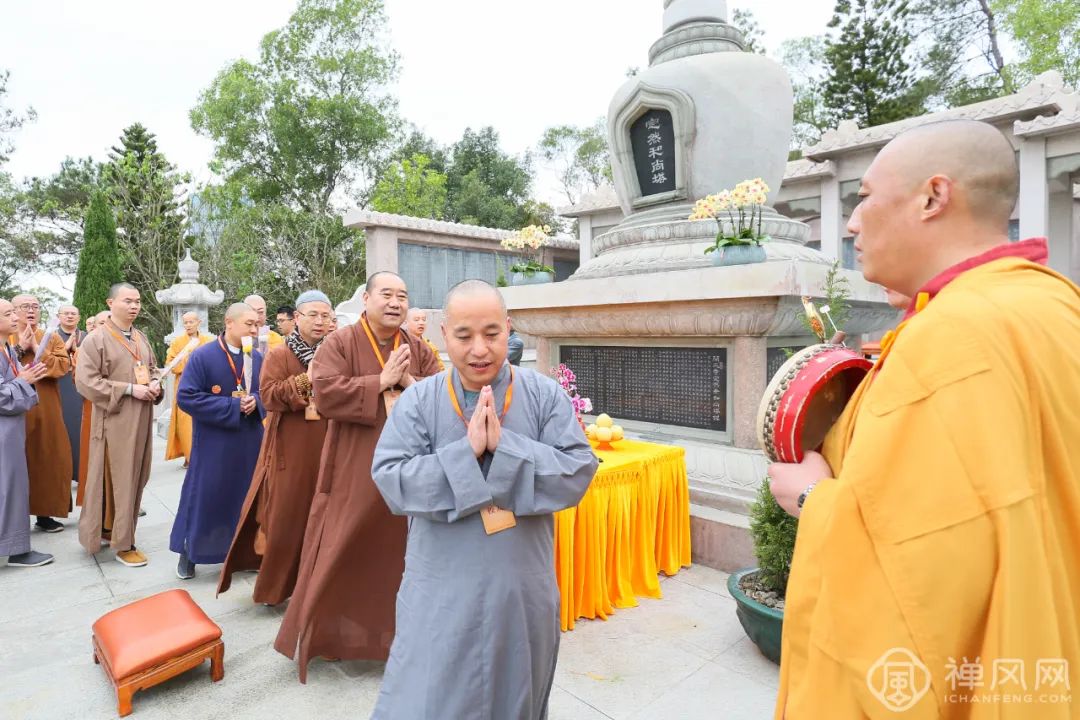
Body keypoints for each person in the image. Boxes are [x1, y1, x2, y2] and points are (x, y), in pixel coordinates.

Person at [767, 120, 1080, 718]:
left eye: (864, 199)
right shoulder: (1055, 304)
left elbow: (916, 571)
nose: (852, 224)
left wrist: (812, 499)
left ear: (933, 197)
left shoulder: (954, 337)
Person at [370, 280, 597, 718]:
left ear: (509, 330)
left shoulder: (544, 395)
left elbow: (578, 471)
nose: (480, 349)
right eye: (464, 335)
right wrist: (465, 454)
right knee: (428, 695)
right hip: (440, 587)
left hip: (519, 587)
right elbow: (391, 479)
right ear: (442, 335)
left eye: (492, 334)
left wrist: (506, 447)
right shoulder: (420, 400)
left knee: (516, 695)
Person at [275, 271, 441, 681]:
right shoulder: (341, 342)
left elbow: (443, 397)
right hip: (355, 461)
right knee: (343, 543)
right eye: (386, 294)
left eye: (402, 296)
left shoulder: (417, 347)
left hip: (410, 464)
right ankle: (333, 636)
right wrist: (378, 382)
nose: (396, 303)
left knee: (402, 554)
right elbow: (325, 393)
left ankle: (399, 638)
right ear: (366, 299)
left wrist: (407, 381)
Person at [219, 291, 332, 605]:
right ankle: (279, 588)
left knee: (324, 516)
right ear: (297, 318)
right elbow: (268, 396)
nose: (320, 321)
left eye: (325, 315)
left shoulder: (335, 351)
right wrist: (305, 381)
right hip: (291, 445)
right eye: (313, 315)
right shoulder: (281, 354)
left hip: (329, 440)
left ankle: (318, 584)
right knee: (287, 516)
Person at [172, 303, 265, 580]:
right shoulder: (203, 356)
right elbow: (186, 397)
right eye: (248, 323)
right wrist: (231, 406)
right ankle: (189, 553)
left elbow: (267, 393)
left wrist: (256, 402)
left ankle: (244, 553)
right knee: (205, 495)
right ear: (229, 322)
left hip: (249, 440)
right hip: (214, 440)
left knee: (246, 497)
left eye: (256, 324)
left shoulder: (256, 358)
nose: (254, 328)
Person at [74, 283, 162, 566]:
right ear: (110, 303)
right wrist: (128, 389)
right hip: (114, 421)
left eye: (137, 301)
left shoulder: (140, 337)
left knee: (135, 477)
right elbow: (86, 382)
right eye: (128, 301)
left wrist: (156, 384)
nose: (134, 306)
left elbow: (152, 369)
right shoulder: (96, 339)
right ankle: (124, 544)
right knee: (119, 480)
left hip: (142, 418)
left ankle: (110, 529)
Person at [9, 294, 73, 533]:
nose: (31, 311)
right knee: (16, 461)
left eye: (35, 306)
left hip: (45, 406)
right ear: (14, 310)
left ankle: (45, 514)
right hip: (12, 408)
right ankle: (13, 521)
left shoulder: (49, 337)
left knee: (49, 456)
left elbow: (63, 366)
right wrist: (19, 348)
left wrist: (38, 349)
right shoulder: (6, 336)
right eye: (25, 306)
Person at [0, 299, 55, 567]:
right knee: (8, 488)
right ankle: (15, 550)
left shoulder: (7, 348)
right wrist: (24, 381)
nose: (15, 317)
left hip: (11, 429)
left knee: (13, 486)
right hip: (3, 432)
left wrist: (22, 376)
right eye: (8, 313)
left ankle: (15, 546)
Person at [164, 311, 214, 468]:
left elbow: (212, 362)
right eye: (185, 322)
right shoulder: (178, 342)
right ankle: (189, 456)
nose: (188, 325)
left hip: (203, 386)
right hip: (184, 385)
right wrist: (187, 362)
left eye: (191, 322)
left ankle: (203, 455)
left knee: (204, 421)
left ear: (198, 322)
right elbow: (170, 364)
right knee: (185, 424)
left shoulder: (207, 341)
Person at [54, 305, 85, 490]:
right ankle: (65, 474)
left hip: (81, 390)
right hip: (60, 388)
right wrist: (65, 351)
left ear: (79, 318)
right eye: (66, 313)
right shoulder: (51, 337)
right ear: (59, 317)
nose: (70, 316)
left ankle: (83, 474)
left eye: (74, 313)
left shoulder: (87, 338)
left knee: (81, 432)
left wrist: (78, 352)